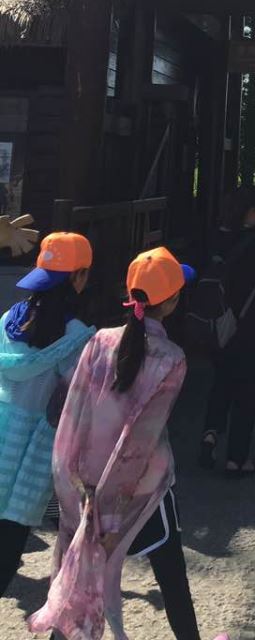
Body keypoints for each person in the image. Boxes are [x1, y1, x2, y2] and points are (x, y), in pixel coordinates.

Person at [28, 247, 226, 640]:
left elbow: (68, 412)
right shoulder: (172, 359)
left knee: (76, 578)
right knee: (172, 576)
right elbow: (139, 442)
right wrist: (115, 517)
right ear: (172, 301)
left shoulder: (99, 340)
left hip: (87, 485)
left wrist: (73, 487)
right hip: (139, 491)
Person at [0, 231, 94, 596]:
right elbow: (74, 400)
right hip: (34, 447)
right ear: (79, 277)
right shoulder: (76, 336)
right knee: (12, 533)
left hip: (2, 428)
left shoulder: (7, 321)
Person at [199, 186, 255, 477]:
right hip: (252, 325)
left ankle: (210, 434)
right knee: (247, 392)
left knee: (221, 382)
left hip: (218, 323)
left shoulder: (215, 237)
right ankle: (237, 459)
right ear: (251, 212)